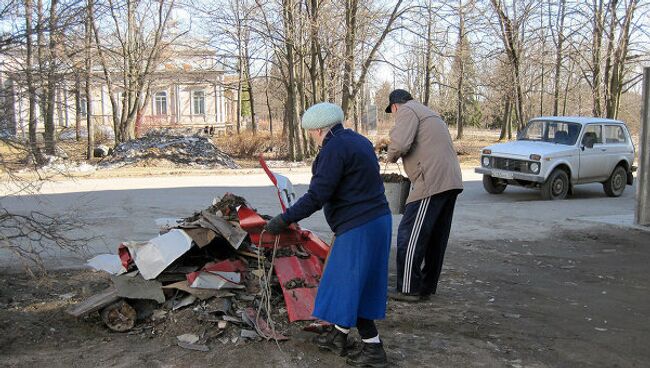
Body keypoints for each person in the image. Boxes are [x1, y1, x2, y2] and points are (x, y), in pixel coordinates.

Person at [265, 102, 392, 367]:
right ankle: (338, 335)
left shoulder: (334, 149)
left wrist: (284, 219)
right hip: (377, 220)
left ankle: (374, 350)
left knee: (350, 288)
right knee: (350, 284)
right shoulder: (357, 140)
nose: (311, 137)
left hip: (359, 226)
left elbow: (317, 196)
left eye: (311, 132)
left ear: (320, 129)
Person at [385, 89, 463, 302]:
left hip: (431, 181)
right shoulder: (429, 112)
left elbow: (400, 145)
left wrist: (389, 155)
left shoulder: (407, 110)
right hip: (451, 180)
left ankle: (409, 288)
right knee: (435, 237)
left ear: (394, 106)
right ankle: (426, 287)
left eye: (392, 112)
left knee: (410, 234)